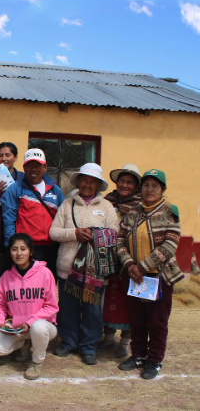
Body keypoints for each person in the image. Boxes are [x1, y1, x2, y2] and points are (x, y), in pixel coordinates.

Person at [116, 169, 183, 380]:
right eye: (146, 185)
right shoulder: (133, 212)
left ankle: (154, 360)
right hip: (135, 277)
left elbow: (170, 244)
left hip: (159, 278)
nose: (150, 189)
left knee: (157, 322)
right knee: (137, 319)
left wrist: (143, 266)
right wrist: (129, 265)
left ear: (162, 189)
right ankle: (138, 355)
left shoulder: (169, 212)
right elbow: (120, 241)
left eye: (155, 186)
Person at [49, 163, 119, 365]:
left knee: (92, 312)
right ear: (78, 182)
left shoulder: (106, 208)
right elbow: (53, 232)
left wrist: (96, 235)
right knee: (68, 309)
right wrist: (74, 233)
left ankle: (89, 346)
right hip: (67, 269)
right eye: (84, 180)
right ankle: (68, 342)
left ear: (98, 185)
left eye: (92, 181)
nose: (87, 184)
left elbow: (114, 235)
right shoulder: (67, 204)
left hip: (94, 271)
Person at [0, 233, 59, 380]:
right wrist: (0, 322)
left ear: (31, 251)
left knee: (38, 327)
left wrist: (30, 322)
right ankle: (23, 344)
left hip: (43, 327)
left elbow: (51, 306)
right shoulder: (6, 277)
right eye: (14, 249)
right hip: (17, 327)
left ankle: (36, 362)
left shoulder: (45, 273)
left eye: (23, 249)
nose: (19, 253)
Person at [99, 164, 143, 358]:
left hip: (130, 260)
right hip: (107, 259)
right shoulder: (107, 201)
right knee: (108, 299)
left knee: (129, 301)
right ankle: (108, 338)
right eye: (122, 181)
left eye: (130, 182)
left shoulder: (142, 206)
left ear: (136, 186)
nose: (125, 185)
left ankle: (125, 341)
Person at [1, 148, 64, 279]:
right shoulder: (15, 189)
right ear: (24, 167)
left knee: (47, 284)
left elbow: (63, 217)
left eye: (37, 165)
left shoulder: (55, 190)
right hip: (26, 249)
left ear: (45, 167)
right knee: (26, 285)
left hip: (51, 248)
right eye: (29, 165)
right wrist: (11, 247)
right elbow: (8, 220)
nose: (33, 169)